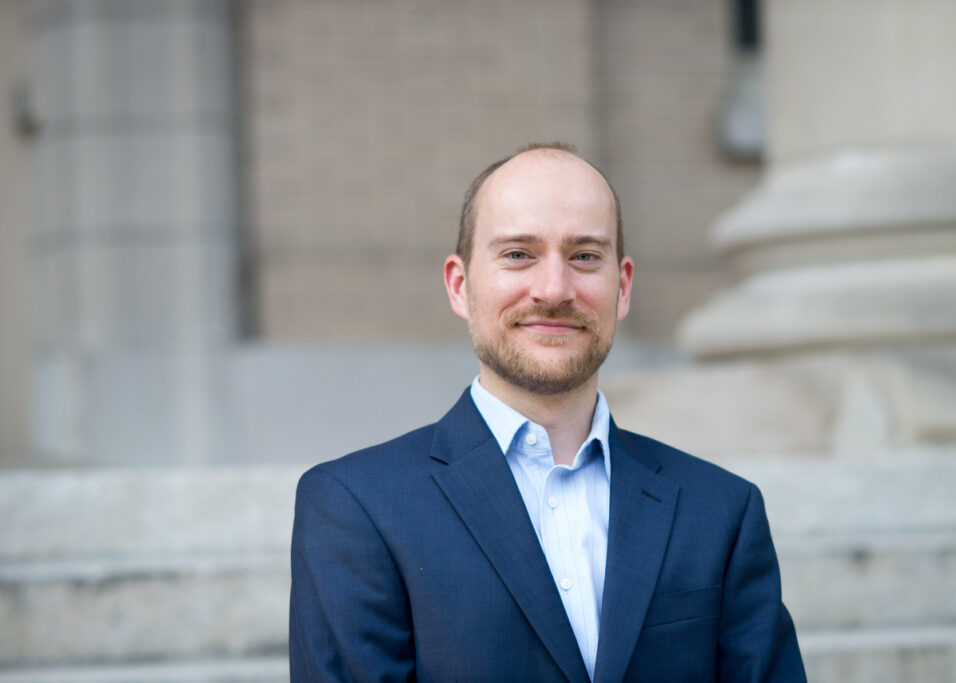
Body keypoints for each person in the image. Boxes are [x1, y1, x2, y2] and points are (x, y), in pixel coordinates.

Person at [289, 143, 805, 682]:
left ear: (622, 286)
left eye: (584, 256)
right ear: (460, 285)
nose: (554, 289)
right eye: (518, 254)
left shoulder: (721, 511)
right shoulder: (355, 508)